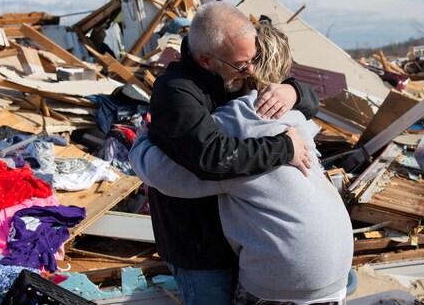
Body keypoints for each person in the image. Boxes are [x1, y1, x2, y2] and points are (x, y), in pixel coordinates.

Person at [131, 23, 353, 304]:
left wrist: (141, 142)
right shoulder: (294, 115)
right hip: (336, 264)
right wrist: (293, 93)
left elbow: (165, 174)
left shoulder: (238, 120)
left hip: (285, 274)